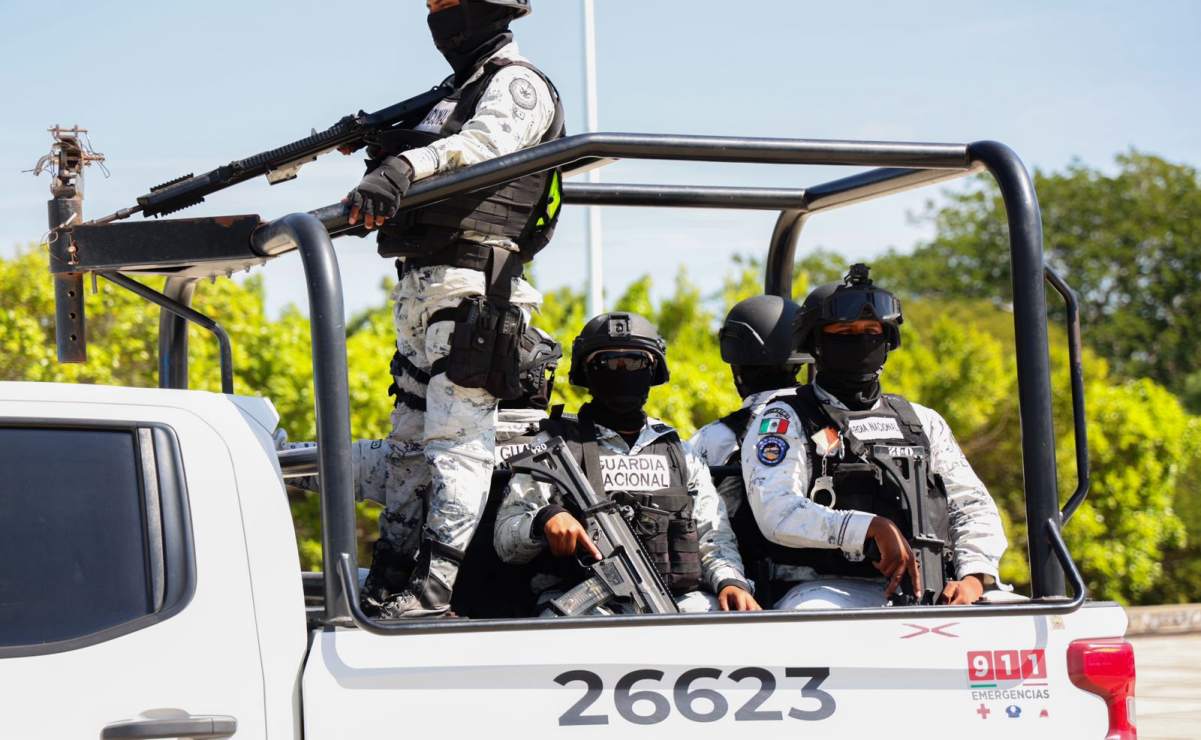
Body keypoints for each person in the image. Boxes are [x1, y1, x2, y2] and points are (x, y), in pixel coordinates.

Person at [344, 0, 566, 618]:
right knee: (409, 443)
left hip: (476, 285)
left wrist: (402, 166)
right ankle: (391, 573)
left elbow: (484, 145)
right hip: (423, 285)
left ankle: (435, 586)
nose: (436, 15)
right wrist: (382, 143)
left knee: (454, 441)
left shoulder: (518, 85)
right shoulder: (452, 91)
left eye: (446, 4)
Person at [740, 264, 1007, 609]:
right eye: (845, 331)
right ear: (817, 343)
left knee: (1018, 619)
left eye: (871, 330)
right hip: (824, 590)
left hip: (936, 590)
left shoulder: (921, 421)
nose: (861, 339)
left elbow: (971, 506)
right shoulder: (783, 418)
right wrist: (866, 528)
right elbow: (778, 511)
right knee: (813, 620)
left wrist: (973, 576)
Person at [282, 326, 562, 617]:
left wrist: (265, 445)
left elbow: (324, 464)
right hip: (532, 631)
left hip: (425, 629)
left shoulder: (425, 448)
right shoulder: (572, 448)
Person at [494, 313, 760, 614]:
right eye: (607, 363)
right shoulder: (558, 447)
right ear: (587, 372)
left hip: (674, 602)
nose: (621, 370)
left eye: (634, 362)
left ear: (653, 370)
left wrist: (730, 582)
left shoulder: (679, 452)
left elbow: (713, 536)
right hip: (582, 607)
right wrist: (544, 520)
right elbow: (506, 538)